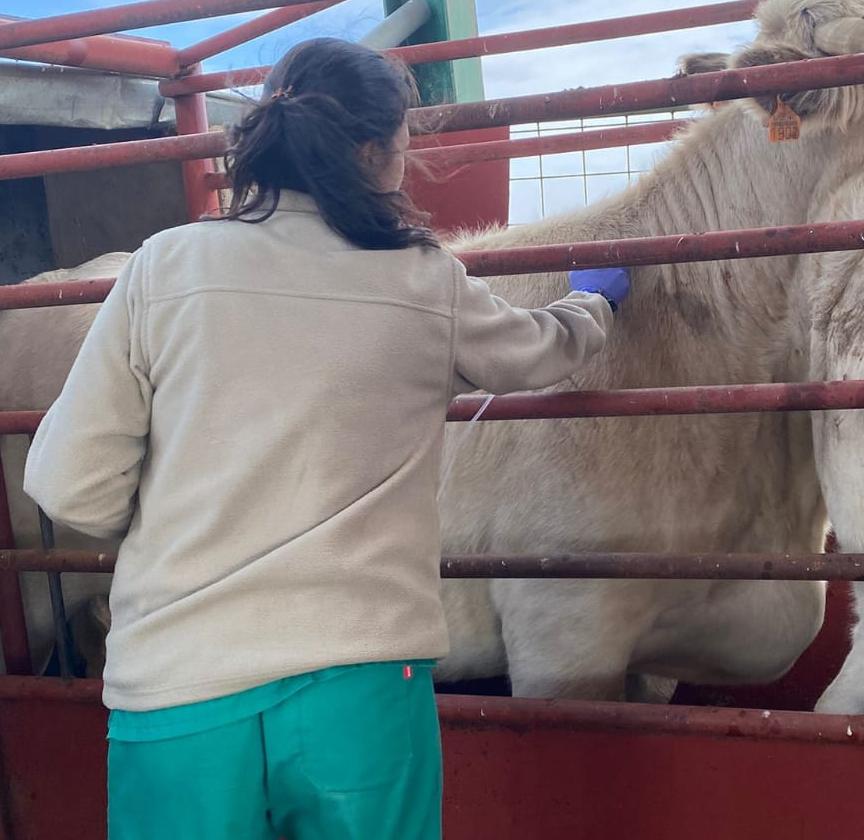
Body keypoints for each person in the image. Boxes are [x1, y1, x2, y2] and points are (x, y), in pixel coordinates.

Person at [23, 37, 631, 840]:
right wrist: (594, 306)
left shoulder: (162, 268)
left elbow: (70, 489)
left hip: (178, 692)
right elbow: (538, 350)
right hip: (361, 694)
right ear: (379, 152)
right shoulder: (423, 280)